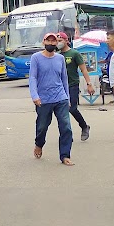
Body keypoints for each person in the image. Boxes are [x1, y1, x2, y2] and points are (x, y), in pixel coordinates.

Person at [29, 33, 74, 166]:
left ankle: (65, 155)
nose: (51, 43)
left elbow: (64, 78)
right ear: (43, 42)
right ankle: (39, 144)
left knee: (66, 127)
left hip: (61, 98)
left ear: (57, 43)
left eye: (53, 41)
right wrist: (34, 95)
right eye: (48, 41)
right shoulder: (36, 58)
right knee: (42, 126)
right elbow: (32, 78)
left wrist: (67, 97)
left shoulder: (60, 58)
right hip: (43, 100)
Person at [57, 32, 94, 141]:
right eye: (57, 41)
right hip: (60, 86)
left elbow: (83, 69)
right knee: (62, 111)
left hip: (72, 85)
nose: (58, 43)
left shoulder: (74, 53)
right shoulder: (57, 55)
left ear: (66, 40)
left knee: (72, 108)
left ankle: (84, 126)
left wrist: (89, 84)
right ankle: (67, 134)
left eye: (60, 41)